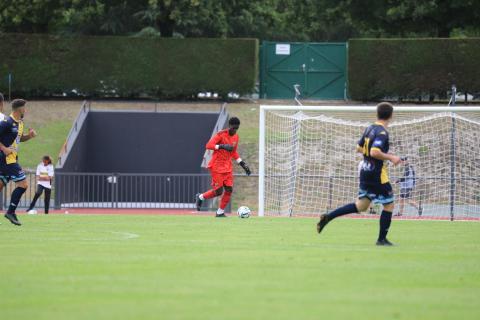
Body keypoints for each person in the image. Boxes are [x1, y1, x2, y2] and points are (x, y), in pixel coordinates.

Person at [316, 102, 402, 246]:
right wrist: (391, 157)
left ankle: (328, 217)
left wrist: (371, 156)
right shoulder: (382, 133)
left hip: (365, 171)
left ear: (377, 114)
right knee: (389, 205)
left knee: (361, 205)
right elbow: (375, 151)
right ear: (391, 116)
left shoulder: (369, 129)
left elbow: (359, 148)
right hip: (377, 174)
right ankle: (381, 239)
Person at [195, 117, 251, 217]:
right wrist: (222, 146)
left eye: (237, 128)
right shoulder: (220, 134)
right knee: (218, 192)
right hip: (216, 166)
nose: (235, 131)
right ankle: (201, 197)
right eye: (233, 128)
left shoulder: (236, 137)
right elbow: (208, 145)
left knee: (229, 190)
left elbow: (233, 152)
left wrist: (242, 164)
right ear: (229, 126)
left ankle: (220, 212)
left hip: (227, 167)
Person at [0, 99, 37, 226]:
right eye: (24, 108)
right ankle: (10, 212)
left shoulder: (20, 123)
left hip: (12, 159)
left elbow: (19, 138)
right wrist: (4, 149)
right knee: (23, 184)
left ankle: (10, 212)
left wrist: (29, 136)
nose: (26, 110)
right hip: (6, 160)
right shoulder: (6, 122)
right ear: (19, 109)